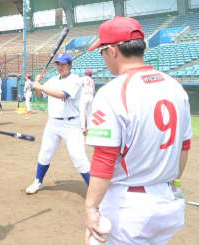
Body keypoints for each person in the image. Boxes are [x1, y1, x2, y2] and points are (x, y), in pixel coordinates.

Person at [84, 16, 192, 245]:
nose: (103, 58)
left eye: (102, 51)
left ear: (113, 50)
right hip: (168, 201)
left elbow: (104, 157)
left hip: (129, 207)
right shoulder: (175, 86)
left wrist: (91, 207)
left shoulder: (112, 92)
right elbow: (184, 147)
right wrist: (172, 184)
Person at [25, 53, 91, 194]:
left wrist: (40, 86)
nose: (60, 67)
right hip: (53, 123)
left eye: (63, 64)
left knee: (79, 158)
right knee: (45, 153)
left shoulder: (75, 80)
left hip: (72, 124)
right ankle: (38, 181)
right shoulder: (53, 80)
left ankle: (95, 192)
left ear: (70, 65)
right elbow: (39, 96)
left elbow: (62, 95)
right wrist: (37, 86)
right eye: (58, 64)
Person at [79, 69, 95, 135]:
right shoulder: (92, 81)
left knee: (82, 113)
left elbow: (78, 87)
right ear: (91, 74)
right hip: (91, 97)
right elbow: (93, 91)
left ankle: (83, 129)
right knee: (89, 114)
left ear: (85, 73)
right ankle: (89, 129)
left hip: (84, 96)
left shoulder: (82, 78)